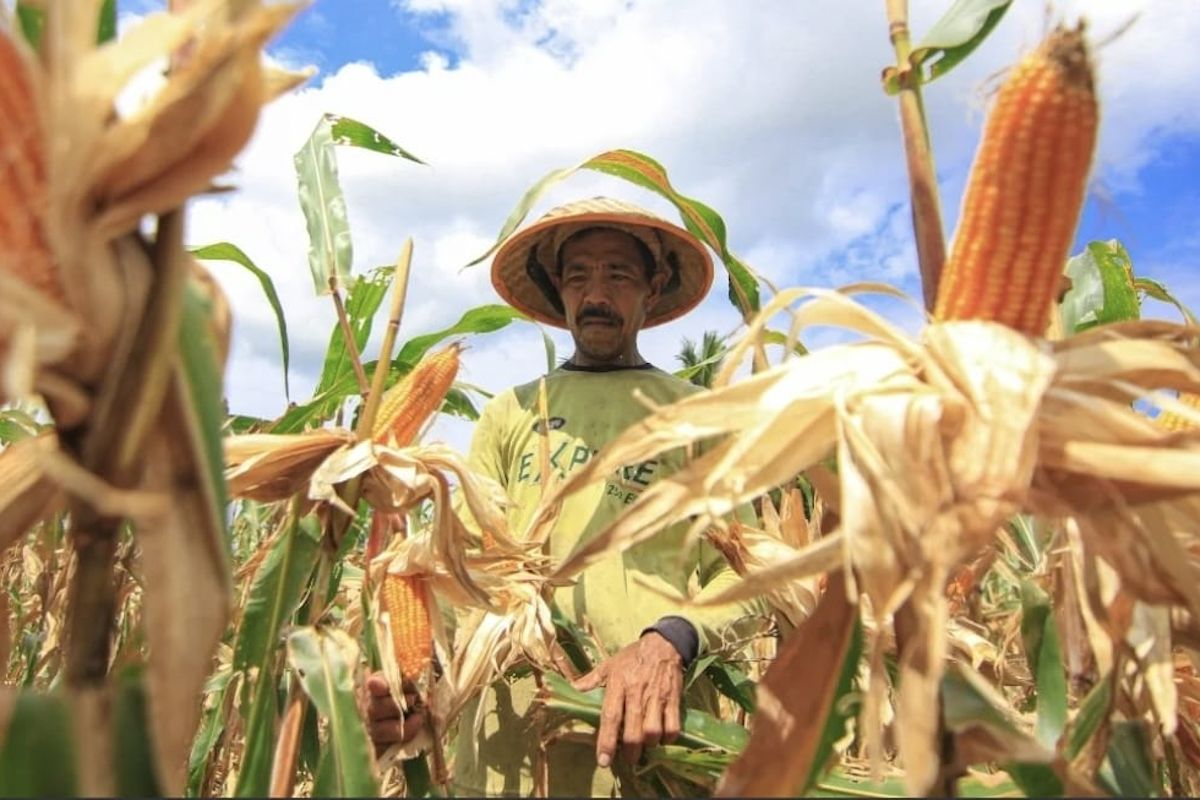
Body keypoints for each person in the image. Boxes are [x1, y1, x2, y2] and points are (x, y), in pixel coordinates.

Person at [366, 196, 759, 795]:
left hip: (654, 753)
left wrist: (669, 640)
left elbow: (753, 576)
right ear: (559, 290)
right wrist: (417, 680)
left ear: (653, 288)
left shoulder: (698, 416)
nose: (595, 294)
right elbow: (463, 568)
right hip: (506, 757)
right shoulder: (510, 413)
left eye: (618, 275)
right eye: (578, 276)